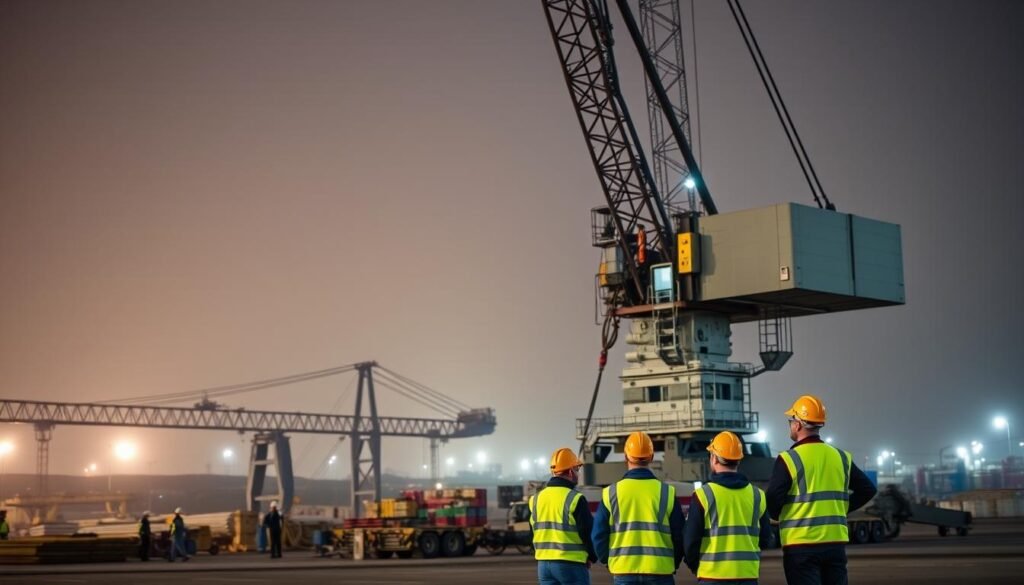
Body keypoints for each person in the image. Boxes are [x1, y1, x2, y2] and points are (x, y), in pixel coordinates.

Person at [766, 395, 877, 585]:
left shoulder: (789, 459)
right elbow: (868, 489)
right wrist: (840, 510)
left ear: (798, 424)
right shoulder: (841, 457)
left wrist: (781, 515)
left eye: (791, 420)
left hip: (801, 546)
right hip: (834, 545)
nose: (790, 425)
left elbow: (773, 501)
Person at [593, 431, 685, 585]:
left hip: (624, 571)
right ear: (651, 457)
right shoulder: (666, 492)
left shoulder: (611, 493)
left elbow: (598, 536)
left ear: (625, 456)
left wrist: (610, 562)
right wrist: (671, 563)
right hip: (660, 571)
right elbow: (679, 535)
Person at [684, 431, 772, 584]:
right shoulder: (758, 496)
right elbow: (765, 539)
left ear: (713, 458)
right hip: (747, 576)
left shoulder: (703, 495)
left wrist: (696, 567)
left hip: (712, 577)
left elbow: (690, 541)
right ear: (738, 460)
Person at [529, 447, 597, 585]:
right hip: (571, 564)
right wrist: (592, 556)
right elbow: (587, 532)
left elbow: (533, 531)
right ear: (571, 472)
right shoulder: (575, 499)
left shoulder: (536, 499)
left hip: (544, 565)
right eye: (577, 469)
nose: (578, 473)